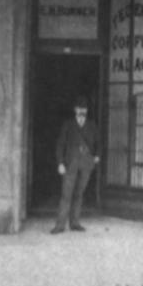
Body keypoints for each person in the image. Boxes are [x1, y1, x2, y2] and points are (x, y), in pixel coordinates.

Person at [51, 96, 100, 234]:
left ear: (87, 110)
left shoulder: (92, 125)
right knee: (66, 194)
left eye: (84, 109)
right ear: (75, 110)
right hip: (70, 164)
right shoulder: (68, 125)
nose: (82, 112)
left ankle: (75, 223)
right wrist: (60, 163)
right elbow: (60, 144)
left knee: (79, 193)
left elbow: (99, 142)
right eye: (79, 109)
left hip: (86, 165)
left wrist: (96, 156)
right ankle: (60, 225)